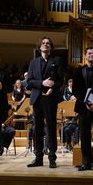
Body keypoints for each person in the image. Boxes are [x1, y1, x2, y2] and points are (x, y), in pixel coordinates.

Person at [27, 37, 64, 169]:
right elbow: (29, 82)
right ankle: (38, 157)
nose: (45, 45)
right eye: (43, 43)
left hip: (50, 98)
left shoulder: (57, 61)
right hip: (37, 98)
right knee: (37, 128)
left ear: (51, 47)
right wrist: (42, 83)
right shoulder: (33, 62)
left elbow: (61, 81)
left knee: (51, 127)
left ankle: (52, 157)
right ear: (40, 47)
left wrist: (52, 88)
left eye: (48, 43)